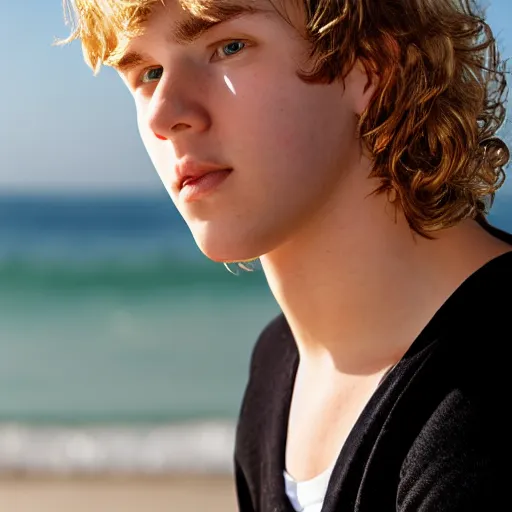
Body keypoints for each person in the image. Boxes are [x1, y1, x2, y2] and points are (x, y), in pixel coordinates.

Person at [61, 0, 511, 510]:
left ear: (372, 65)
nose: (165, 114)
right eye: (148, 72)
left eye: (229, 47)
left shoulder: (487, 405)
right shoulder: (277, 371)